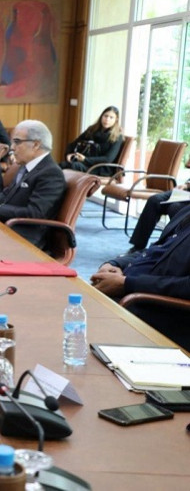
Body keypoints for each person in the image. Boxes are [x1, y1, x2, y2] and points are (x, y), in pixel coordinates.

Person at [92, 203, 190, 350]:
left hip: (157, 309)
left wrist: (127, 284)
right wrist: (115, 264)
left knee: (74, 321)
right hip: (129, 292)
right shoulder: (186, 211)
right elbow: (155, 251)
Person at [0, 120, 66, 250]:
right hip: (9, 226)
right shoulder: (27, 165)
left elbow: (35, 213)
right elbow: (8, 192)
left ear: (36, 144)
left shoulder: (51, 173)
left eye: (17, 142)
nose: (12, 147)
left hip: (25, 237)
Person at [127, 180, 190, 252]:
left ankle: (164, 249)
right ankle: (138, 246)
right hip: (187, 192)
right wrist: (187, 184)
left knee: (174, 207)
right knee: (154, 200)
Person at [59, 106, 123, 176]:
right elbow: (74, 143)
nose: (107, 119)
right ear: (101, 116)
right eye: (105, 116)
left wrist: (85, 159)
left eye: (111, 117)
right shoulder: (92, 129)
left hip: (101, 168)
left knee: (73, 166)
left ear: (116, 120)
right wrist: (70, 153)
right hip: (85, 162)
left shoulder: (117, 136)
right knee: (61, 165)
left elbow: (108, 159)